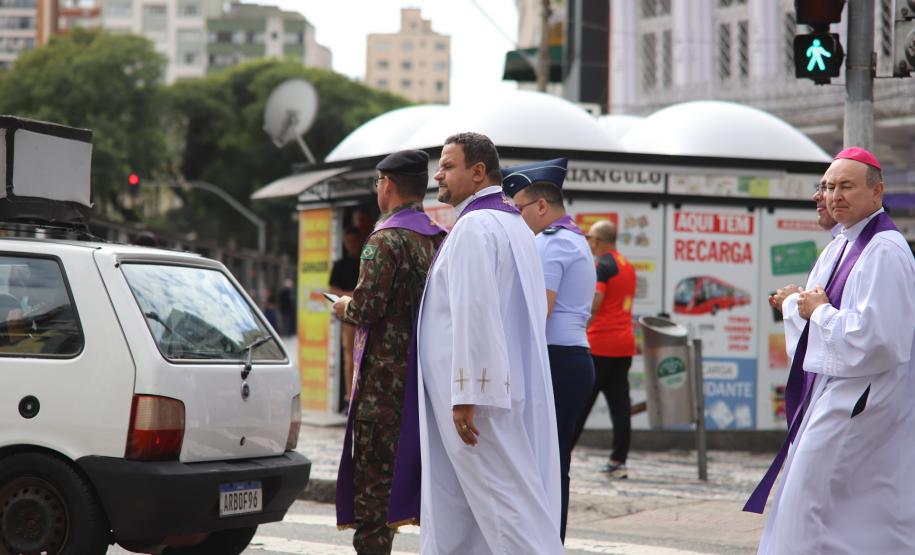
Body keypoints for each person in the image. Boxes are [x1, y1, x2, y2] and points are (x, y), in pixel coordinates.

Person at [399, 132, 564, 554]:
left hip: (478, 403)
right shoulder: (513, 224)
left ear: (477, 172)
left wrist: (469, 392)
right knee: (466, 508)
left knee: (504, 504)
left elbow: (475, 311)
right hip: (500, 390)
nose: (438, 173)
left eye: (448, 165)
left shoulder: (475, 227)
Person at [745, 147, 915, 554]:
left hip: (862, 396)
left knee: (813, 496)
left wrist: (817, 312)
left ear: (876, 193)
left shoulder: (884, 251)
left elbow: (880, 339)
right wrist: (796, 304)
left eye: (846, 186)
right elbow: (820, 306)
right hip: (838, 390)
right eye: (828, 186)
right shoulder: (843, 243)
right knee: (827, 500)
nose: (834, 195)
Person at [332, 149, 446, 555]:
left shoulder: (384, 240)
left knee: (374, 501)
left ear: (388, 185)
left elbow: (366, 308)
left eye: (378, 182)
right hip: (423, 384)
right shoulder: (438, 238)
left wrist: (344, 305)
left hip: (382, 391)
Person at [502, 157, 595, 542]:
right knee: (553, 462)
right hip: (570, 359)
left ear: (541, 206)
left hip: (556, 360)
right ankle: (547, 541)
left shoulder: (549, 244)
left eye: (518, 207)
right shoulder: (574, 239)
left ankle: (542, 543)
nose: (515, 216)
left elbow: (538, 309)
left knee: (544, 462)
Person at [572, 219, 637, 480]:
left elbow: (596, 303)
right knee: (620, 407)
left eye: (590, 238)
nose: (589, 242)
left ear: (597, 241)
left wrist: (578, 325)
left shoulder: (603, 265)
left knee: (580, 403)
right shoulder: (625, 264)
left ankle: (561, 453)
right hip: (624, 346)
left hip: (600, 345)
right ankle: (618, 459)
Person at [768, 179, 843, 315]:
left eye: (828, 188)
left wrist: (792, 301)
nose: (815, 196)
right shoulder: (838, 244)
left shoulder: (875, 248)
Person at [329, 227, 362, 402]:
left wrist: (348, 295)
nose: (352, 245)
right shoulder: (340, 265)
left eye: (354, 241)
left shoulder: (367, 260)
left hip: (366, 317)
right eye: (348, 242)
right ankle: (350, 397)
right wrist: (353, 296)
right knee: (349, 359)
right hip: (348, 319)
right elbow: (332, 289)